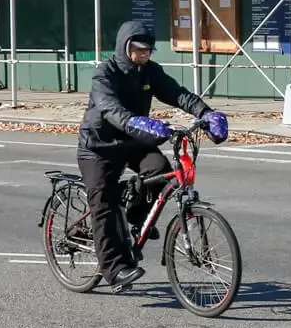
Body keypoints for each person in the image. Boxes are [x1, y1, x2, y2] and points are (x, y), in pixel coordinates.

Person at [77, 20, 228, 290]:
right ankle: (115, 269)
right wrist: (139, 123)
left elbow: (178, 94)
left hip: (133, 141)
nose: (143, 54)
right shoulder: (105, 74)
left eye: (147, 50)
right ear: (125, 47)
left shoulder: (150, 72)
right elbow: (111, 109)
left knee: (161, 170)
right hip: (99, 146)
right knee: (104, 205)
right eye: (138, 49)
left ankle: (135, 217)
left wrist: (206, 113)